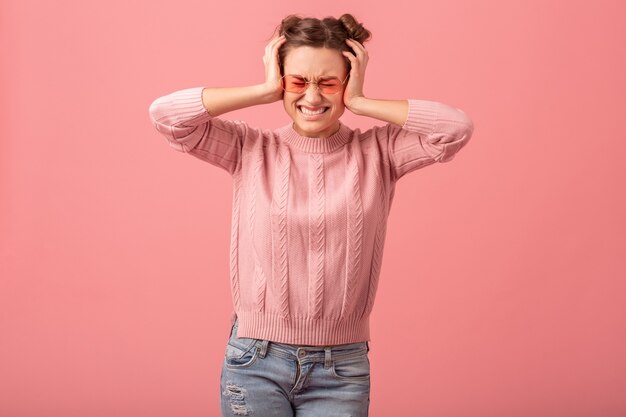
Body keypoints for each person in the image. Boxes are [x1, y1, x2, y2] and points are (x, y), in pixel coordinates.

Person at [148, 13, 474, 417]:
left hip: (342, 368)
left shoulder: (379, 153)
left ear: (348, 81)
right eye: (298, 82)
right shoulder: (250, 148)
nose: (313, 97)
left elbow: (456, 128)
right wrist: (263, 89)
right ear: (282, 80)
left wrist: (361, 102)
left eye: (330, 83)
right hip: (255, 360)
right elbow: (166, 116)